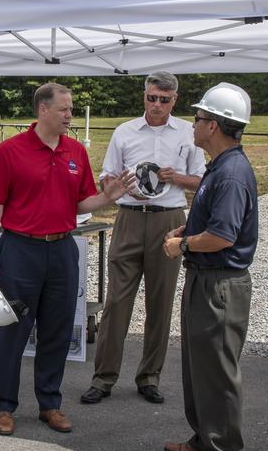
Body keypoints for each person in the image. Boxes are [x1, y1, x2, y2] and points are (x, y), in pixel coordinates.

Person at [0, 83, 133, 437]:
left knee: (57, 332)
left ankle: (50, 403)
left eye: (71, 109)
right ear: (43, 110)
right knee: (14, 331)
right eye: (64, 109)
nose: (70, 115)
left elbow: (80, 203)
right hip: (21, 250)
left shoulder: (75, 151)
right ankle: (4, 406)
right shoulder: (9, 151)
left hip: (62, 249)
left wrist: (107, 197)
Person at [82, 72, 206, 406]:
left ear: (174, 100)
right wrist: (117, 187)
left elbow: (203, 181)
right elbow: (107, 175)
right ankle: (103, 378)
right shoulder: (125, 131)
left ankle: (149, 377)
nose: (157, 105)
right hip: (130, 217)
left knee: (160, 302)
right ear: (144, 97)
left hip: (169, 219)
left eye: (164, 100)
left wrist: (176, 177)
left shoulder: (188, 133)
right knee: (116, 301)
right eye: (152, 98)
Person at [162, 82, 258, 451]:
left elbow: (222, 236)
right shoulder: (220, 166)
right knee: (199, 366)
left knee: (217, 371)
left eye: (199, 118)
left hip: (220, 284)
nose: (193, 124)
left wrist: (182, 244)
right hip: (207, 279)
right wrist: (188, 230)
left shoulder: (231, 173)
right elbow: (213, 223)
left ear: (215, 125)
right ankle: (205, 437)